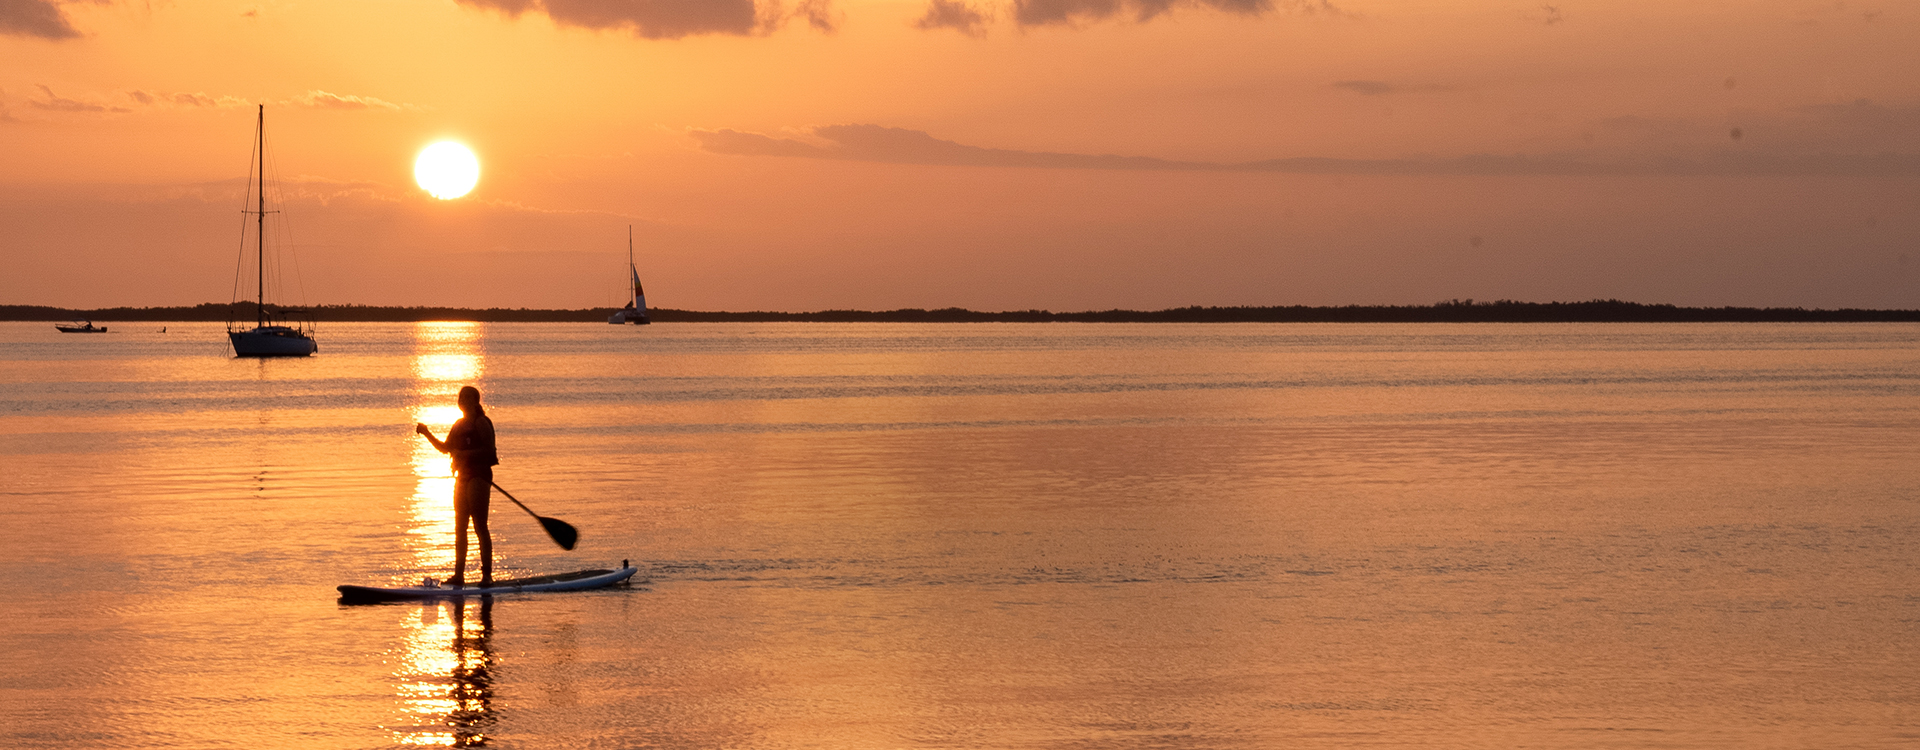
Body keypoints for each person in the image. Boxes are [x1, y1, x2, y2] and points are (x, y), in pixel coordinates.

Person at [416, 386, 499, 587]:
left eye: (466, 397)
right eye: (460, 397)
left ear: (475, 401)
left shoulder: (481, 423)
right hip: (462, 478)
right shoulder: (459, 424)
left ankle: (487, 576)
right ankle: (458, 575)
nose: (461, 400)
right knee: (459, 528)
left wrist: (465, 455)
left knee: (480, 526)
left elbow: (489, 450)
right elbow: (446, 448)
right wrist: (427, 433)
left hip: (479, 477)